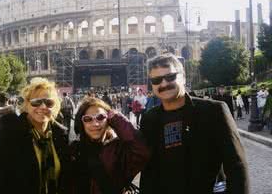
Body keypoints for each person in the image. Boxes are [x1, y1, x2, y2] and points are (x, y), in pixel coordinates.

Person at [140, 54, 249, 194]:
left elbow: (236, 165)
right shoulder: (149, 120)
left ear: (183, 77)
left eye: (170, 77)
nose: (164, 84)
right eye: (156, 80)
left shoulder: (214, 111)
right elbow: (148, 172)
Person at [0, 77, 71, 194]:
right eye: (36, 102)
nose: (43, 107)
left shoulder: (61, 135)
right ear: (26, 104)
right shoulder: (9, 133)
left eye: (49, 102)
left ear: (55, 106)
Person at [71, 97, 150, 194]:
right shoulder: (74, 151)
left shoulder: (119, 149)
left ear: (108, 120)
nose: (95, 124)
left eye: (100, 117)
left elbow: (141, 153)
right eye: (88, 119)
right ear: (81, 122)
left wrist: (117, 119)